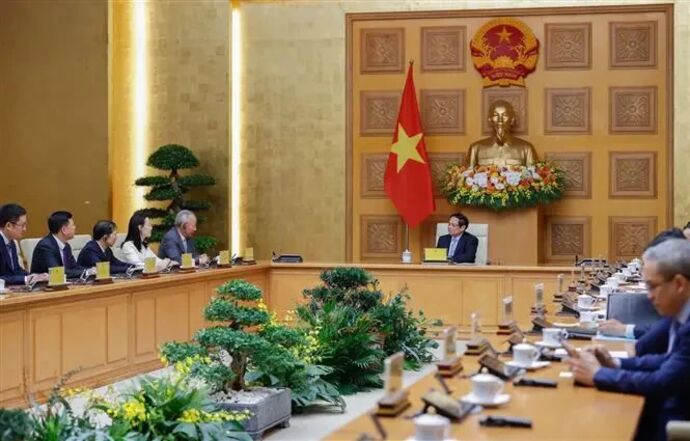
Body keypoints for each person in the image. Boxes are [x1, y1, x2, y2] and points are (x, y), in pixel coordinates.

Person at [566, 239, 690, 441]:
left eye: (652, 286)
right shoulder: (682, 312)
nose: (648, 296)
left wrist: (598, 374)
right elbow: (669, 361)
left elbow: (661, 383)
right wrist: (614, 363)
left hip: (674, 424)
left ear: (679, 284)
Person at [467, 100, 537, 168]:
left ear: (512, 120)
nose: (500, 120)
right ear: (490, 120)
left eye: (505, 115)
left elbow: (533, 174)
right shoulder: (475, 149)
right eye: (495, 115)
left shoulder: (526, 149)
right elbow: (468, 174)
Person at [31, 211, 90, 278]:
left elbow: (74, 267)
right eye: (73, 225)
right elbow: (57, 272)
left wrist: (89, 270)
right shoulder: (45, 247)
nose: (75, 227)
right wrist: (86, 272)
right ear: (64, 230)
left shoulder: (66, 246)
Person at [0, 204, 48, 285]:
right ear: (8, 226)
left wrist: (34, 276)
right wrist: (25, 279)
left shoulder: (11, 242)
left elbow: (16, 271)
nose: (25, 229)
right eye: (22, 225)